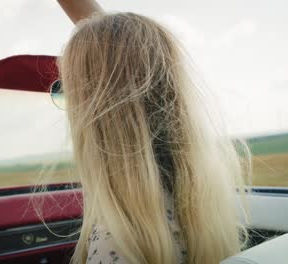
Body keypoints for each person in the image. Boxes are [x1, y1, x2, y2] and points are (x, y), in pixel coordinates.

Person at [53, 0, 251, 263]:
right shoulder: (194, 201)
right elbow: (122, 52)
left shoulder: (117, 243)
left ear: (96, 118)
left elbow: (116, 53)